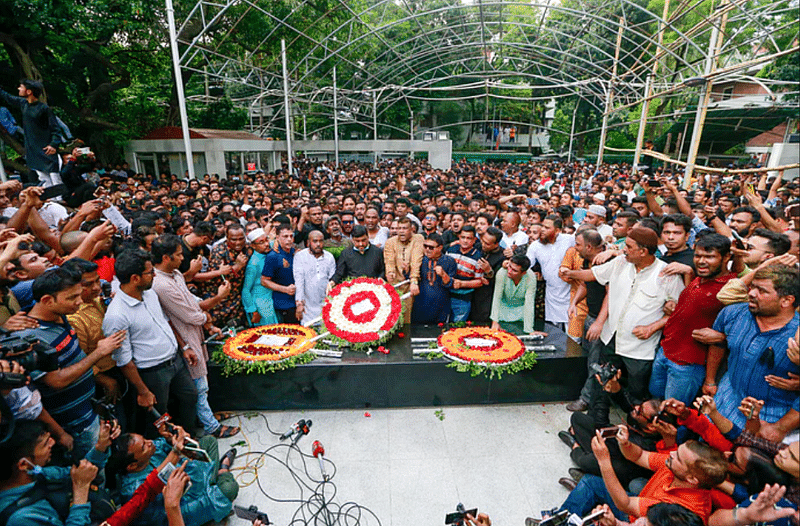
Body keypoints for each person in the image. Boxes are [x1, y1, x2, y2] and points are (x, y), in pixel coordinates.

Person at [561, 225, 684, 403]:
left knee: (636, 392)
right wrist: (571, 273)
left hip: (639, 348)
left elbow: (679, 311)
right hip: (611, 338)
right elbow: (594, 274)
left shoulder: (666, 275)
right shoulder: (620, 263)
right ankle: (597, 422)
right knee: (601, 382)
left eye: (628, 246)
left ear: (643, 252)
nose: (623, 250)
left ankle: (633, 428)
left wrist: (652, 327)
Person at [19, 267, 126, 459]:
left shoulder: (60, 317)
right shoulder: (30, 338)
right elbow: (55, 380)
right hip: (74, 424)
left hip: (90, 411)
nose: (79, 301)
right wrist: (99, 353)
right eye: (71, 298)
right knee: (91, 469)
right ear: (47, 300)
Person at [150, 234, 239, 439]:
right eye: (179, 255)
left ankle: (205, 417)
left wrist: (208, 323)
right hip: (185, 338)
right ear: (166, 257)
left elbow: (192, 301)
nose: (183, 259)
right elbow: (190, 315)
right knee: (199, 387)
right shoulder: (161, 285)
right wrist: (219, 298)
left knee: (201, 385)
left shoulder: (174, 275)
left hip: (194, 334)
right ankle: (211, 427)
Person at [102, 250, 198, 433]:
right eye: (150, 272)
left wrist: (184, 347)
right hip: (152, 373)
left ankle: (189, 438)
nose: (154, 275)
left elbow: (165, 322)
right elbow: (124, 361)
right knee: (159, 417)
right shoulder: (116, 316)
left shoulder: (149, 294)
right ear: (135, 278)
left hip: (175, 362)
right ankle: (166, 451)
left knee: (190, 397)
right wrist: (143, 391)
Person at [708, 264, 799, 440]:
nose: (751, 293)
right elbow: (717, 346)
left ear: (786, 300)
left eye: (761, 291)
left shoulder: (797, 336)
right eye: (753, 287)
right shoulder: (734, 314)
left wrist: (781, 427)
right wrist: (710, 380)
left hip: (768, 420)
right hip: (722, 403)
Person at [648, 233, 736, 403]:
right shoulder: (700, 277)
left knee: (674, 413)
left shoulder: (730, 290)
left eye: (709, 257)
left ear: (726, 257)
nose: (701, 261)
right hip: (666, 351)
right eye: (698, 255)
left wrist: (710, 380)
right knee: (656, 401)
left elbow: (733, 333)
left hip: (688, 365)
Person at [112, 423, 238, 526]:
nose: (150, 442)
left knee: (209, 441)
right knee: (229, 489)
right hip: (184, 506)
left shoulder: (150, 450)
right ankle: (222, 471)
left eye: (145, 439)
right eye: (144, 446)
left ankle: (214, 479)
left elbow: (162, 444)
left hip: (193, 475)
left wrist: (171, 436)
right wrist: (208, 500)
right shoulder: (134, 490)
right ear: (132, 466)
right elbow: (167, 515)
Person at [0, 419, 118, 526]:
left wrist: (101, 446)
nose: (52, 443)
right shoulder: (21, 519)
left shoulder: (36, 473)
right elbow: (80, 481)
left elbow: (81, 472)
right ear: (23, 464)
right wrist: (81, 491)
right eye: (45, 444)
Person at [0, 80, 63, 187]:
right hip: (33, 148)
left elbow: (56, 129)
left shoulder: (44, 109)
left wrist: (53, 145)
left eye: (21, 87)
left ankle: (60, 199)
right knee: (42, 177)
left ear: (29, 91)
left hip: (46, 148)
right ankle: (51, 200)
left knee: (54, 177)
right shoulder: (23, 103)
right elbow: (8, 97)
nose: (18, 89)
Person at [527, 215, 575, 331]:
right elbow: (526, 264)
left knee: (573, 335)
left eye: (547, 228)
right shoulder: (535, 246)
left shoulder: (569, 240)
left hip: (572, 292)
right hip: (552, 295)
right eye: (542, 226)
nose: (542, 230)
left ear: (557, 230)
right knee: (554, 332)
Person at [489, 254, 542, 335]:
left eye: (514, 270)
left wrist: (529, 330)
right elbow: (497, 297)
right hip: (502, 310)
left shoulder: (530, 277)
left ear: (523, 273)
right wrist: (495, 321)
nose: (509, 271)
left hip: (521, 312)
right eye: (509, 267)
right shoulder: (502, 273)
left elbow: (529, 303)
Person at [383, 217, 423, 324]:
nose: (401, 231)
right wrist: (390, 272)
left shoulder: (418, 239)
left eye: (404, 228)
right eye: (399, 228)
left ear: (411, 229)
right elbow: (389, 260)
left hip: (411, 284)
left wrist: (414, 280)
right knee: (392, 315)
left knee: (407, 316)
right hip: (395, 283)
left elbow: (416, 260)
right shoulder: (390, 242)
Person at [411, 233, 457, 325]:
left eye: (431, 247)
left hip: (441, 306)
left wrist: (443, 274)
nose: (427, 249)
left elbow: (452, 284)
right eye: (425, 246)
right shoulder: (420, 260)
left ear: (440, 248)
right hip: (421, 304)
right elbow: (412, 276)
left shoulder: (449, 261)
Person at [293, 230, 336, 325]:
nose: (318, 244)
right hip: (307, 306)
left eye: (321, 241)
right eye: (315, 241)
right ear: (308, 242)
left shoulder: (329, 257)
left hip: (325, 304)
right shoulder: (300, 257)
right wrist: (299, 303)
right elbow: (299, 281)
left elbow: (332, 281)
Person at [261, 224, 298, 324]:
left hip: (297, 302)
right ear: (277, 237)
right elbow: (264, 281)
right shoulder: (273, 256)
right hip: (283, 304)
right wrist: (285, 289)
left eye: (291, 236)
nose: (289, 239)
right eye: (285, 236)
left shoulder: (295, 252)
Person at [469, 227, 507, 325]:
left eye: (487, 243)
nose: (483, 245)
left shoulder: (503, 257)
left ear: (496, 244)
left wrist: (489, 271)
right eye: (483, 241)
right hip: (471, 294)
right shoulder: (477, 247)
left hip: (487, 299)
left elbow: (501, 282)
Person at [242, 228, 279, 326]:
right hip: (261, 304)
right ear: (253, 246)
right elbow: (246, 290)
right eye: (261, 242)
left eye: (266, 240)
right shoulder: (253, 264)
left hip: (271, 299)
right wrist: (253, 311)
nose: (266, 244)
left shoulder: (267, 252)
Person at [447, 225, 483, 322]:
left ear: (474, 240)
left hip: (463, 299)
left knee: (457, 329)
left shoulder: (478, 257)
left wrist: (462, 283)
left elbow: (479, 282)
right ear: (459, 237)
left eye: (469, 238)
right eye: (463, 237)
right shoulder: (451, 250)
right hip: (445, 295)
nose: (465, 241)